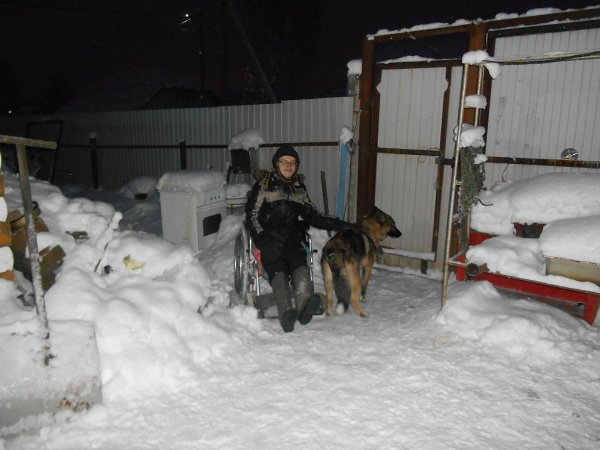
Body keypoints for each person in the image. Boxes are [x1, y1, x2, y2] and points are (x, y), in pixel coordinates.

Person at [245, 145, 358, 332]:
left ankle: (305, 305)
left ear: (296, 166)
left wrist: (343, 225)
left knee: (299, 263)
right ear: (276, 164)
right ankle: (286, 313)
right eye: (284, 162)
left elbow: (315, 217)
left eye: (292, 163)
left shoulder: (299, 190)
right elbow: (252, 216)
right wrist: (262, 238)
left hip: (291, 237)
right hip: (269, 237)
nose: (289, 166)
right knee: (278, 267)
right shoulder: (264, 186)